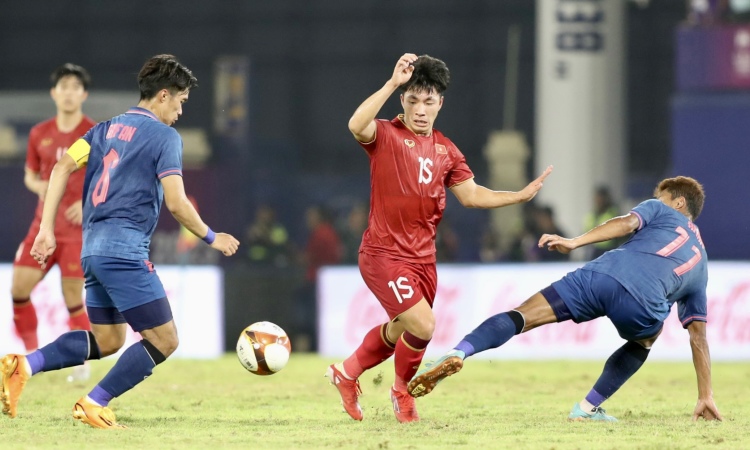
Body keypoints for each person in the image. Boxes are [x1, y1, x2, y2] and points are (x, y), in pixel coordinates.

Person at [0, 54, 239, 429]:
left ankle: (24, 364)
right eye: (181, 101)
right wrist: (212, 236)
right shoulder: (164, 137)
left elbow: (61, 167)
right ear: (163, 95)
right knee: (165, 340)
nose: (180, 110)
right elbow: (176, 204)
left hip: (92, 249)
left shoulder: (102, 130)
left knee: (108, 340)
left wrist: (45, 228)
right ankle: (94, 402)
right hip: (124, 253)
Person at [325, 53, 553, 423]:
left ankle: (346, 373)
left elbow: (472, 195)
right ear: (403, 100)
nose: (420, 109)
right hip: (383, 254)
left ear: (440, 104)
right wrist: (392, 82)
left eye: (428, 101)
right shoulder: (385, 134)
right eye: (412, 99)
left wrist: (518, 196)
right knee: (424, 325)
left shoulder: (446, 150)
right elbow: (355, 124)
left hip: (423, 260)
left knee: (403, 328)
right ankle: (401, 392)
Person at [408, 176, 722, 423]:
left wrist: (576, 241)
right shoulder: (703, 264)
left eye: (663, 197)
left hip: (600, 275)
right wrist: (705, 394)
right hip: (642, 306)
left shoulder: (660, 209)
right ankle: (587, 408)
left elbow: (626, 223)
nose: (658, 200)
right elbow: (698, 337)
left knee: (522, 315)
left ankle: (458, 352)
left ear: (678, 202)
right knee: (647, 338)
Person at [11, 64, 95, 383]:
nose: (69, 92)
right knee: (18, 289)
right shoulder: (39, 134)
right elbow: (30, 174)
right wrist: (38, 187)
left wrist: (86, 204)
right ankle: (30, 357)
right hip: (42, 228)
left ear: (84, 94)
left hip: (76, 233)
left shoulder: (93, 132)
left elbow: (109, 177)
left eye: (76, 86)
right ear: (53, 93)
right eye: (64, 86)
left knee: (73, 298)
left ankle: (81, 362)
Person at [583, 186, 622, 260]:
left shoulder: (613, 213)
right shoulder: (592, 215)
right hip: (595, 249)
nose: (598, 200)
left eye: (600, 198)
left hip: (610, 249)